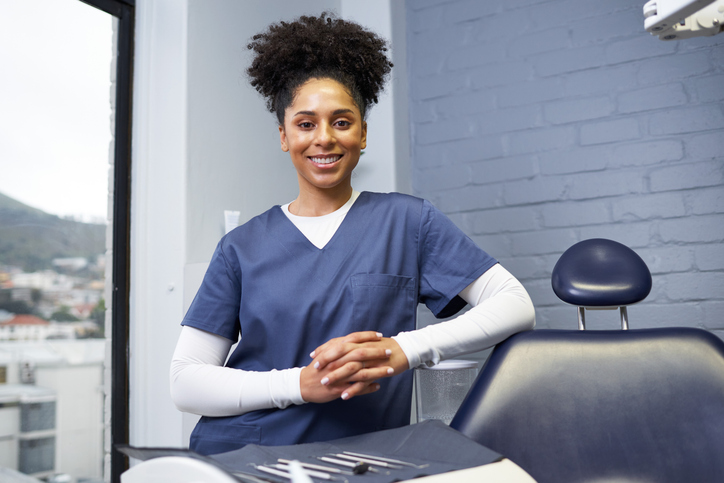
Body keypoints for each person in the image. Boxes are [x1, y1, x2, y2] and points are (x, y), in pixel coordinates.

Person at [170, 12, 535, 456]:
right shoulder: (240, 247)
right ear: (283, 136)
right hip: (244, 455)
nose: (324, 138)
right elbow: (186, 382)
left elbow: (515, 304)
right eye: (305, 124)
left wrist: (404, 349)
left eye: (342, 122)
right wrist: (300, 385)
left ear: (363, 134)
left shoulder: (407, 222)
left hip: (361, 459)